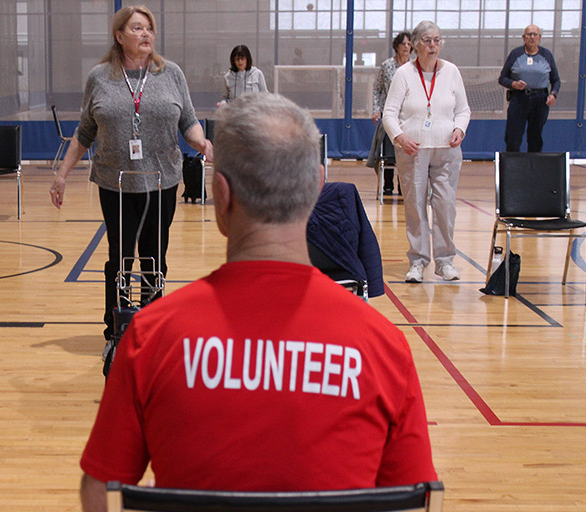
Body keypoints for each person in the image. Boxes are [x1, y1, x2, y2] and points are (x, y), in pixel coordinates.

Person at [78, 93, 436, 511]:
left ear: (221, 195)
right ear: (318, 186)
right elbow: (414, 501)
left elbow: (99, 487)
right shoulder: (383, 347)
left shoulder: (149, 337)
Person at [49, 5, 212, 343]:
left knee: (155, 256)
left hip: (161, 180)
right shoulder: (99, 77)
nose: (146, 34)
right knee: (119, 257)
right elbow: (84, 133)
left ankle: (151, 325)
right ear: (119, 36)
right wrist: (61, 174)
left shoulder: (172, 74)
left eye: (149, 29)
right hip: (115, 182)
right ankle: (117, 327)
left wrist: (203, 143)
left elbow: (188, 122)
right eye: (137, 28)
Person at [382, 20, 471, 283]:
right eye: (427, 41)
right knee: (415, 206)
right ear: (416, 45)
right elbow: (390, 113)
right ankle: (418, 261)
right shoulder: (404, 74)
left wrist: (459, 129)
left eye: (437, 40)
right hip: (413, 150)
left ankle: (445, 261)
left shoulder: (452, 72)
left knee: (445, 205)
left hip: (446, 149)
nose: (433, 46)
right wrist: (399, 137)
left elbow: (463, 110)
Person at [498, 24, 560, 153]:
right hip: (519, 99)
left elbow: (556, 80)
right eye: (529, 34)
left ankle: (533, 169)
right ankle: (512, 168)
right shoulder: (516, 54)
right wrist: (513, 84)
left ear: (539, 37)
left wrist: (553, 94)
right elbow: (502, 78)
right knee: (513, 137)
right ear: (523, 37)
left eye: (535, 34)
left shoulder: (546, 55)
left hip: (540, 100)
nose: (532, 37)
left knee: (535, 137)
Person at [366, 31, 411, 195]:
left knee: (405, 150)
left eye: (408, 44)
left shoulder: (413, 67)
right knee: (388, 148)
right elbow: (377, 89)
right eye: (403, 44)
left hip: (408, 115)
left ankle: (402, 184)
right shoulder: (387, 66)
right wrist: (376, 110)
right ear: (396, 46)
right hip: (389, 113)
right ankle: (388, 184)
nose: (406, 47)